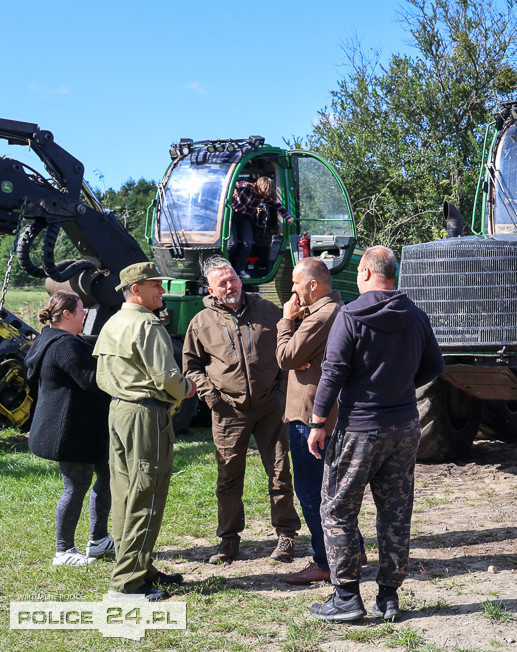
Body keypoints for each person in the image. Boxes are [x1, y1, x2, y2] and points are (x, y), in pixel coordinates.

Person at [306, 246, 445, 623]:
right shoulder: (415, 315)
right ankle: (389, 597)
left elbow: (332, 372)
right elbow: (435, 364)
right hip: (404, 426)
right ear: (393, 274)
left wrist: (317, 424)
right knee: (395, 512)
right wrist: (400, 387)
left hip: (359, 429)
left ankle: (347, 595)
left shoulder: (351, 315)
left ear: (365, 272)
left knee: (336, 509)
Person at [183, 256, 301, 565]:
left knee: (279, 472)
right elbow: (191, 367)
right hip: (227, 410)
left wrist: (281, 391)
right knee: (229, 478)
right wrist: (212, 397)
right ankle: (229, 540)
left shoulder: (267, 310)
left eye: (233, 278)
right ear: (210, 288)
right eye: (222, 282)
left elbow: (289, 348)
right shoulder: (201, 322)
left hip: (271, 406)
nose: (230, 285)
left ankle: (286, 535)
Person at [93, 262, 195, 601]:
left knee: (125, 493)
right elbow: (167, 377)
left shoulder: (114, 321)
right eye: (156, 285)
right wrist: (186, 388)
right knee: (147, 495)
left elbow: (101, 373)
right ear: (136, 289)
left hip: (119, 411)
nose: (162, 291)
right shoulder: (146, 324)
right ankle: (128, 583)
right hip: (145, 415)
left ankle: (141, 567)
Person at [27, 291, 114, 567]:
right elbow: (92, 380)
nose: (85, 313)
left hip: (86, 430)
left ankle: (99, 540)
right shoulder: (65, 345)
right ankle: (63, 551)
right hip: (70, 433)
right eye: (80, 310)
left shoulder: (50, 338)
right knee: (75, 487)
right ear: (67, 314)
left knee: (107, 476)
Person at [275, 257, 346, 584]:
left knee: (313, 493)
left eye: (295, 283)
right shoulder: (331, 311)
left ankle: (325, 561)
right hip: (322, 416)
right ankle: (349, 552)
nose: (292, 290)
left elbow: (286, 357)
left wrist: (287, 321)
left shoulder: (321, 316)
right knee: (330, 492)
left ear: (313, 285)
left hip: (310, 418)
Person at [230, 175, 294, 278]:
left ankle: (239, 270)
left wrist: (288, 217)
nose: (263, 196)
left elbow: (277, 205)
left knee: (248, 242)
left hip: (244, 217)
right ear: (259, 186)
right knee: (231, 243)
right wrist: (233, 190)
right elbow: (229, 184)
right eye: (264, 191)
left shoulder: (262, 196)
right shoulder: (245, 186)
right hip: (231, 215)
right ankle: (222, 268)